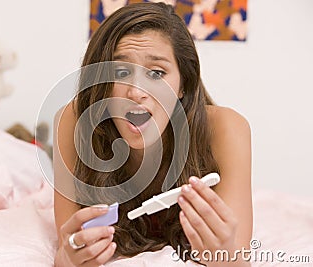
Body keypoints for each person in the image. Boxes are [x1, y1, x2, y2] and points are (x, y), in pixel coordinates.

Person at [53, 2, 252, 267]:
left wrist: (225, 256)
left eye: (157, 73)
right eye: (121, 72)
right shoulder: (73, 122)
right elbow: (68, 248)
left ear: (183, 84)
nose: (136, 91)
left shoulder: (226, 129)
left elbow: (238, 259)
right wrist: (67, 259)